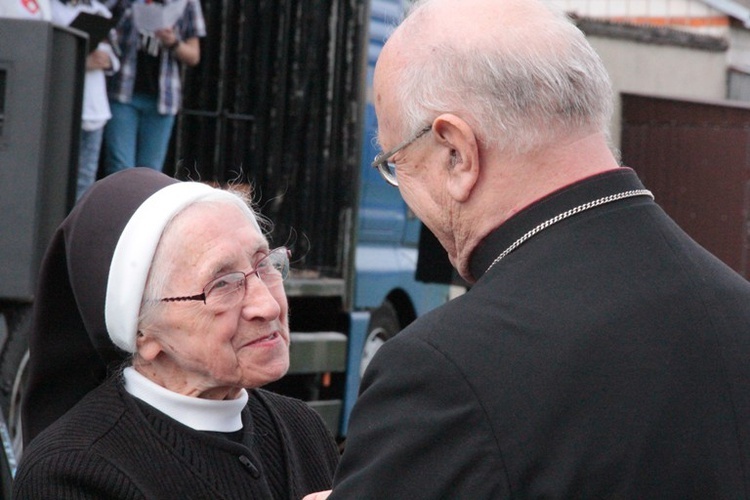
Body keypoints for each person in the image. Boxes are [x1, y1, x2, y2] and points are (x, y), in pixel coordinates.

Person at [308, 0, 750, 498]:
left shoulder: (443, 371)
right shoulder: (737, 307)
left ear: (456, 152)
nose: (403, 194)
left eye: (396, 162)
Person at [15, 168, 339, 498]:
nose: (267, 306)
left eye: (264, 265)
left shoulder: (301, 427)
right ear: (144, 333)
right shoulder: (71, 470)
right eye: (223, 284)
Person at [103, 0, 205, 174]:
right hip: (123, 91)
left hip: (163, 98)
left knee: (150, 171)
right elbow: (100, 22)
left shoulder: (186, 3)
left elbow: (194, 56)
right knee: (120, 166)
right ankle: (124, 201)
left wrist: (172, 42)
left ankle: (144, 202)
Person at [51, 0, 120, 200]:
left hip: (95, 109)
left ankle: (76, 227)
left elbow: (115, 59)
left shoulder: (99, 11)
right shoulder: (50, 8)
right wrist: (79, 57)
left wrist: (104, 61)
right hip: (62, 105)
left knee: (86, 176)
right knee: (57, 174)